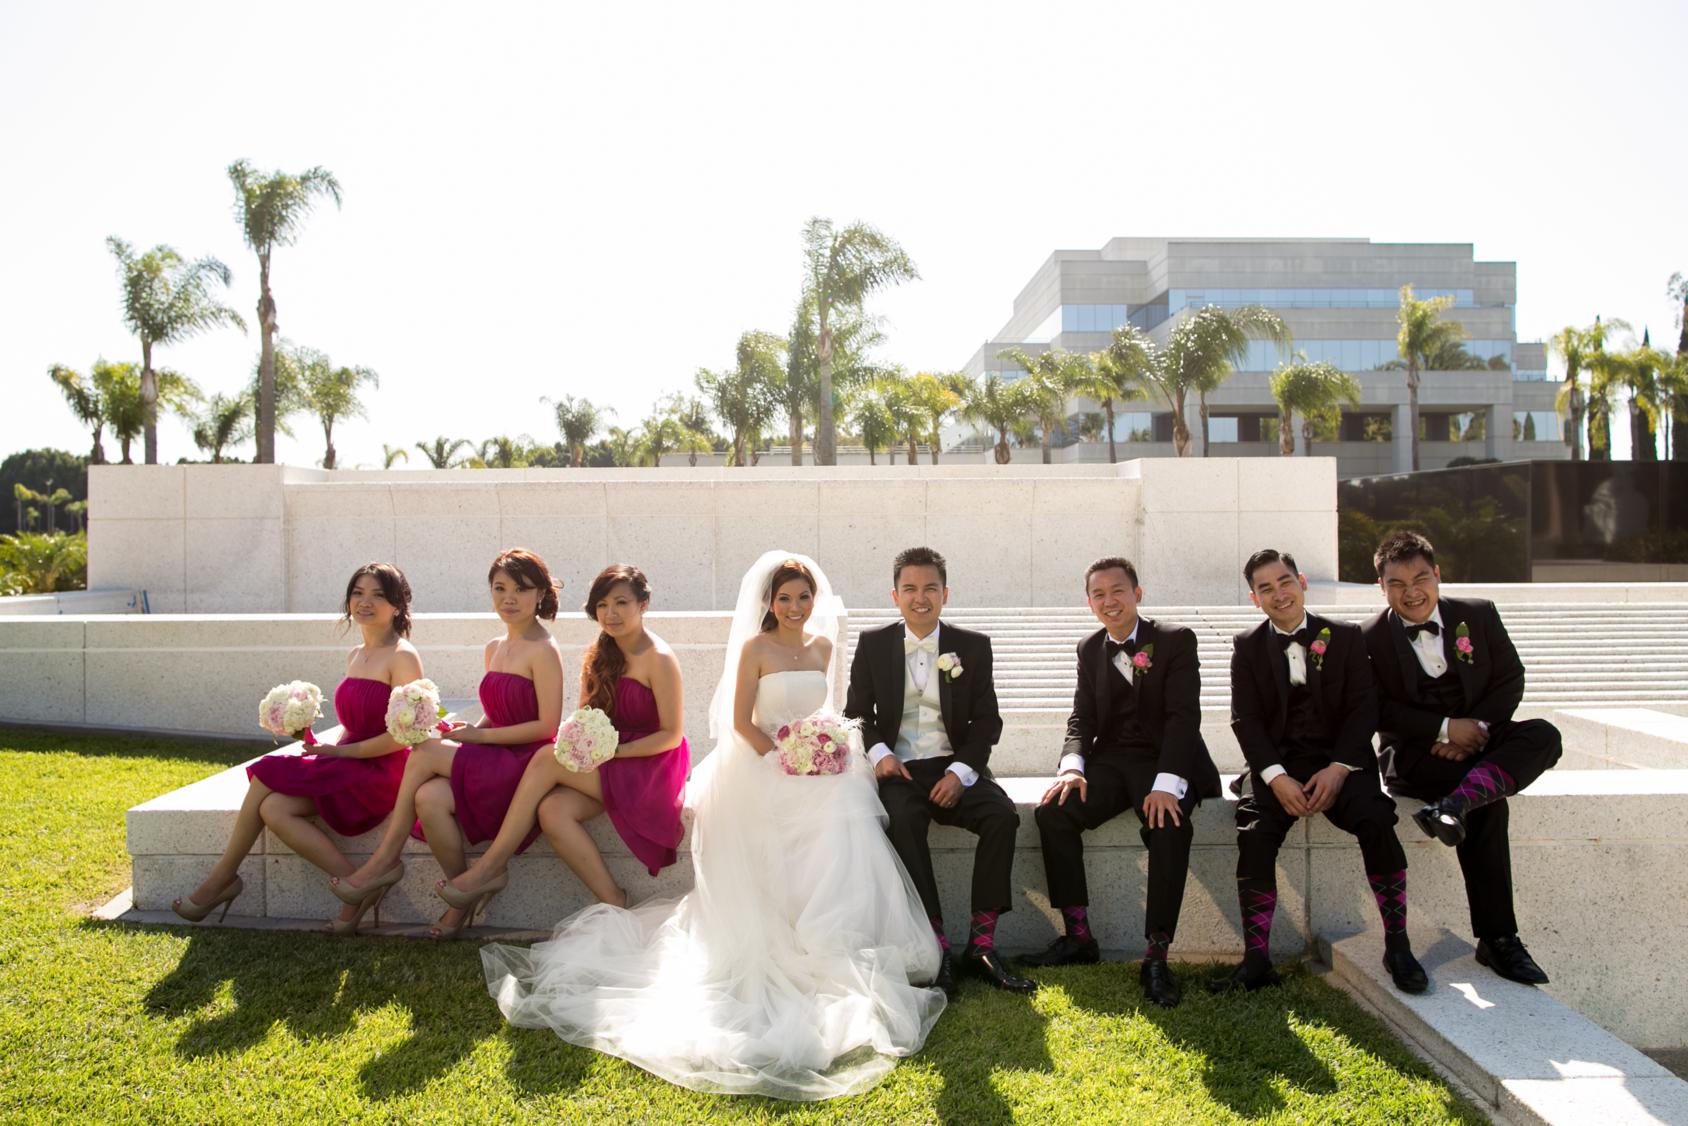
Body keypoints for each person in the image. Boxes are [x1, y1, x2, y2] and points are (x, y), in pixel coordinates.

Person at [479, 551, 945, 1101]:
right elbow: (740, 722)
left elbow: (826, 713)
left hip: (812, 765)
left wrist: (822, 749)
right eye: (784, 598)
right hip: (764, 760)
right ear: (769, 602)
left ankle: (832, 940)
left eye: (803, 597)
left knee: (847, 819)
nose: (795, 606)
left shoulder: (824, 646)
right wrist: (783, 759)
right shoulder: (754, 648)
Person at [1210, 548, 1427, 995]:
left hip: (1340, 764)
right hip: (1279, 767)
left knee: (1375, 818)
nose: (1279, 594)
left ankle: (1398, 945)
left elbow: (1363, 708)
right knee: (1254, 832)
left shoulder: (1346, 636)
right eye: (1265, 588)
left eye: (1285, 582)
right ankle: (1256, 960)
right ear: (1254, 599)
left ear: (1302, 582)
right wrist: (1276, 778)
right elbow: (1245, 720)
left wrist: (1338, 769)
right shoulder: (1246, 647)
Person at [171, 562, 422, 934]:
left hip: (380, 769)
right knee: (273, 807)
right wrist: (321, 744)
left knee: (267, 774)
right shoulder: (355, 654)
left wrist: (341, 754)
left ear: (397, 605)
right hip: (349, 761)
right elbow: (355, 723)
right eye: (357, 593)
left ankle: (222, 878)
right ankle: (356, 886)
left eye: (378, 595)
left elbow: (404, 735)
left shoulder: (403, 656)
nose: (365, 602)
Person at [1362, 530, 1562, 985]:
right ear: (1381, 587)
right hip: (1417, 756)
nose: (1411, 592)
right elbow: (1376, 708)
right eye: (1397, 584)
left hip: (1481, 738)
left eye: (1420, 579)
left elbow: (1510, 679)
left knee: (1544, 736)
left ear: (1437, 574)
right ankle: (1499, 939)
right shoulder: (1367, 637)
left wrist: (1477, 729)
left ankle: (1453, 805)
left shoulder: (1479, 613)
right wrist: (1446, 729)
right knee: (1489, 801)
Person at [333, 548, 563, 938]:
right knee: (429, 799)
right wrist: (467, 729)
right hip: (494, 754)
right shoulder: (494, 647)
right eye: (500, 588)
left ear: (540, 593)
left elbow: (546, 726)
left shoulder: (544, 650)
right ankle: (464, 893)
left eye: (521, 589)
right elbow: (498, 713)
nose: (509, 598)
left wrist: (478, 736)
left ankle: (385, 859)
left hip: (524, 767)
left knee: (424, 750)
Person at [1024, 556, 1221, 1009]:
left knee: (1168, 824)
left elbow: (1183, 718)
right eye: (1098, 594)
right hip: (1112, 760)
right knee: (1053, 812)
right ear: (1089, 602)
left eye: (1118, 591)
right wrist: (1071, 766)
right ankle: (1078, 936)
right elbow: (1082, 717)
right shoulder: (1088, 648)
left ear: (1137, 593)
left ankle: (1157, 955)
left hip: (1167, 759)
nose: (1109, 601)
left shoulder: (1175, 639)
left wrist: (1166, 784)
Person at [438, 564, 688, 916]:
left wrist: (613, 751)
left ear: (643, 604)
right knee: (552, 810)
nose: (611, 614)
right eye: (602, 605)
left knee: (545, 757)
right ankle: (615, 900)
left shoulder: (658, 658)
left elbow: (671, 735)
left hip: (648, 766)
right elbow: (585, 717)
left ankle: (490, 866)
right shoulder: (599, 653)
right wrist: (581, 744)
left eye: (621, 603)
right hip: (607, 763)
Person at [844, 545, 1033, 996]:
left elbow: (987, 722)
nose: (920, 597)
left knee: (1002, 817)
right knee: (902, 822)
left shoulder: (973, 646)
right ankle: (937, 946)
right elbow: (857, 714)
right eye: (909, 588)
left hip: (955, 766)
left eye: (930, 588)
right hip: (900, 771)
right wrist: (881, 756)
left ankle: (982, 945)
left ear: (945, 594)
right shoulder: (873, 644)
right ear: (895, 596)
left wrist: (961, 773)